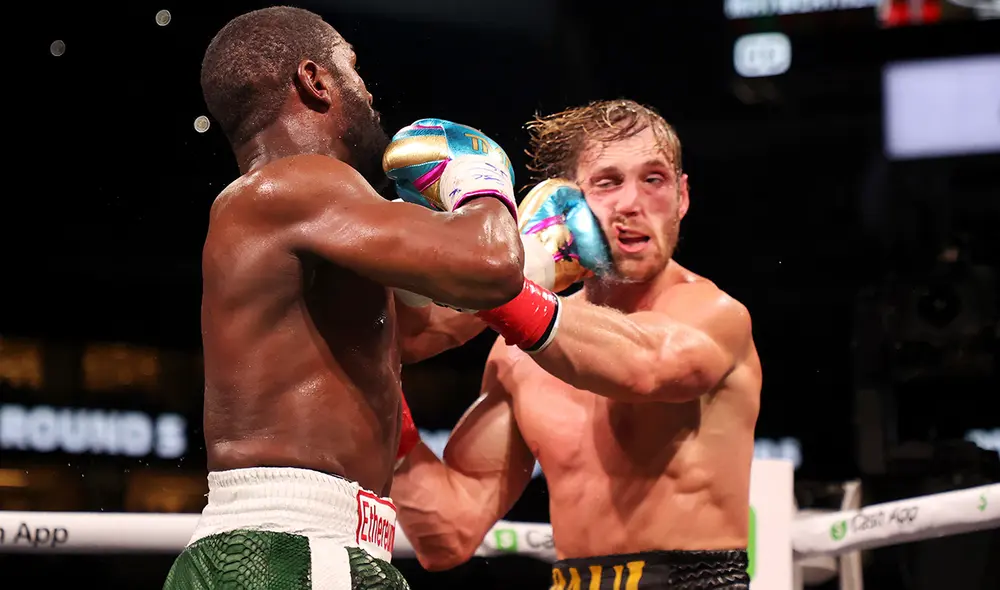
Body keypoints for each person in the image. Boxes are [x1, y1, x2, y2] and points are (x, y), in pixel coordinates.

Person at [163, 6, 562, 590]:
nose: (368, 91)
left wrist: (544, 256)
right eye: (353, 67)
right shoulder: (298, 182)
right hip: (295, 546)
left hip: (296, 544)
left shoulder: (289, 205)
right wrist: (477, 176)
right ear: (315, 80)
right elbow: (489, 263)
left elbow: (420, 332)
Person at [392, 100, 763, 589]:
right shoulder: (516, 357)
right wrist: (370, 383)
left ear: (682, 198)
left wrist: (498, 281)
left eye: (654, 180)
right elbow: (446, 533)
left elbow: (644, 367)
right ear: (566, 200)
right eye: (608, 182)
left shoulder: (714, 316)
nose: (631, 203)